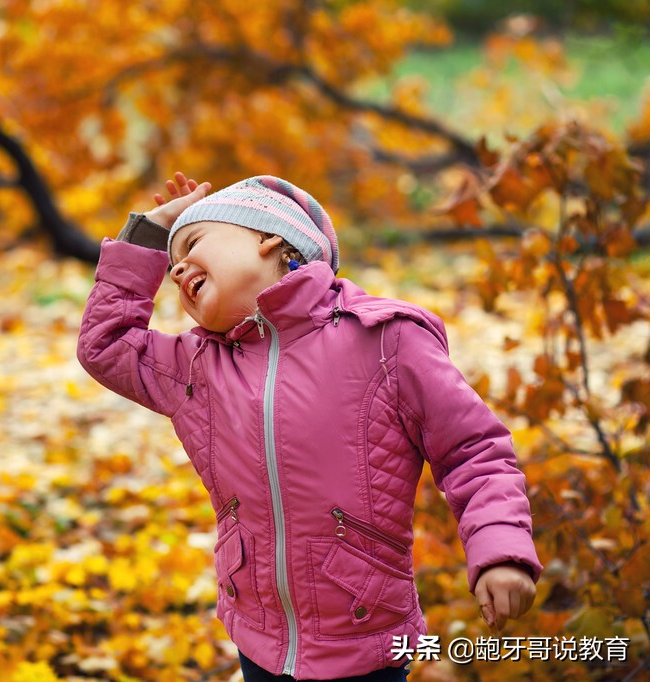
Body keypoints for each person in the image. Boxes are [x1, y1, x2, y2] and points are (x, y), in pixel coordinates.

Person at [76, 172, 541, 681]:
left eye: (192, 244)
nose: (178, 267)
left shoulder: (385, 341)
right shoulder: (198, 366)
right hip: (258, 633)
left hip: (364, 630)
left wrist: (500, 547)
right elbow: (107, 346)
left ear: (269, 238)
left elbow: (473, 450)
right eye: (172, 265)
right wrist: (147, 236)